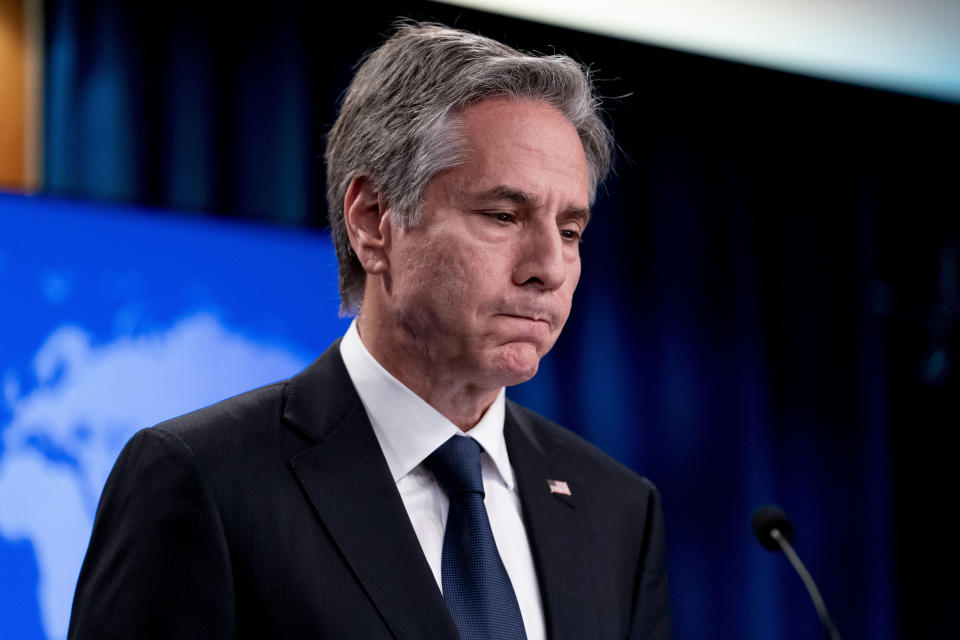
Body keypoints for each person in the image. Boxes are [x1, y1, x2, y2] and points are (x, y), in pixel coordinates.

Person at [68, 22, 671, 640]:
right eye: (502, 215)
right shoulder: (206, 480)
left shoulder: (617, 510)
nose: (548, 267)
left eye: (569, 231)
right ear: (373, 223)